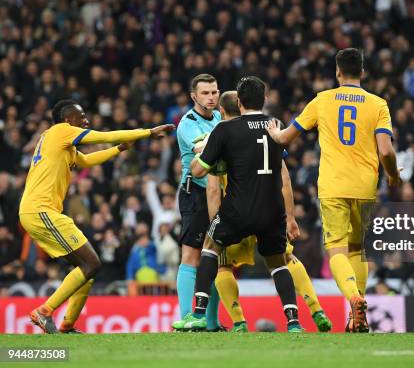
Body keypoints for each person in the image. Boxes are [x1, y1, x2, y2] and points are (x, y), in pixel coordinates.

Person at [267, 48, 402, 333]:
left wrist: (274, 132)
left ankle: (354, 299)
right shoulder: (378, 104)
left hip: (332, 185)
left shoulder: (323, 100)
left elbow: (287, 136)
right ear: (362, 72)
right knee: (357, 249)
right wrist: (392, 176)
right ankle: (357, 316)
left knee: (337, 250)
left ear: (338, 72)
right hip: (365, 186)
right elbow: (386, 150)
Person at [21, 99, 173, 333]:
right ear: (67, 120)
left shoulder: (60, 143)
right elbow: (104, 136)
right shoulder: (61, 131)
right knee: (91, 263)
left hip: (39, 211)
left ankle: (67, 325)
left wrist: (120, 149)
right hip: (40, 210)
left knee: (87, 269)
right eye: (81, 117)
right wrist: (147, 132)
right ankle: (44, 311)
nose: (86, 121)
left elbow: (86, 160)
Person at [205, 90, 332, 332]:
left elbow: (212, 190)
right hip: (268, 210)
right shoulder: (269, 130)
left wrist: (215, 226)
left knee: (223, 267)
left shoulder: (219, 136)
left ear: (223, 111)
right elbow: (284, 179)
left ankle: (239, 322)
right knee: (285, 260)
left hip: (234, 214)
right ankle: (315, 310)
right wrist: (291, 217)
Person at [189, 76, 304, 332]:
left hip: (238, 209)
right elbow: (284, 174)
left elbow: (198, 172)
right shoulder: (277, 125)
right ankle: (294, 322)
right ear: (264, 100)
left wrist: (200, 154)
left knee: (210, 247)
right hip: (272, 209)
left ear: (238, 101)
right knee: (277, 263)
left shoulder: (225, 130)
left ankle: (197, 314)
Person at [173, 73, 224, 331]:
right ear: (194, 96)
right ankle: (186, 318)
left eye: (214, 92)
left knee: (212, 256)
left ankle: (212, 322)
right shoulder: (188, 123)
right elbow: (204, 152)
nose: (211, 97)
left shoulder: (218, 116)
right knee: (191, 255)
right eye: (205, 93)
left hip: (217, 194)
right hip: (195, 194)